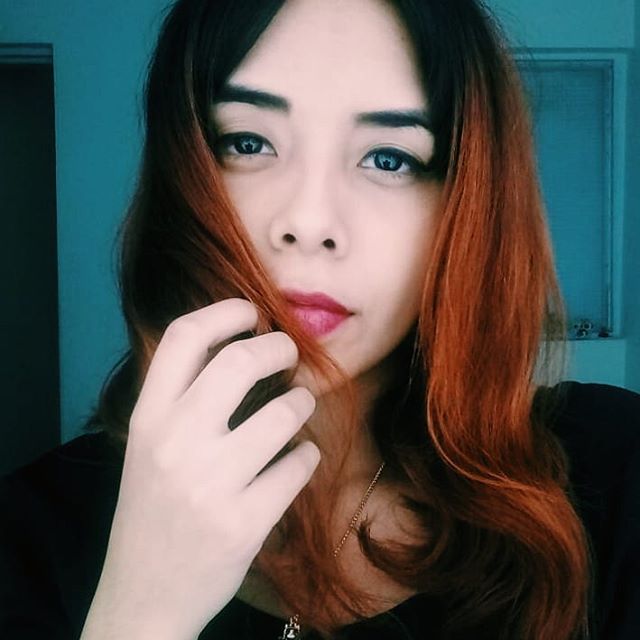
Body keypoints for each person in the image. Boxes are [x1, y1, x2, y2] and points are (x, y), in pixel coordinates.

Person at [1, 0, 639, 638]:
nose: (309, 223)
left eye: (388, 158)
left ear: (464, 203)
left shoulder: (613, 478)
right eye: (248, 143)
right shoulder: (31, 535)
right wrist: (141, 612)